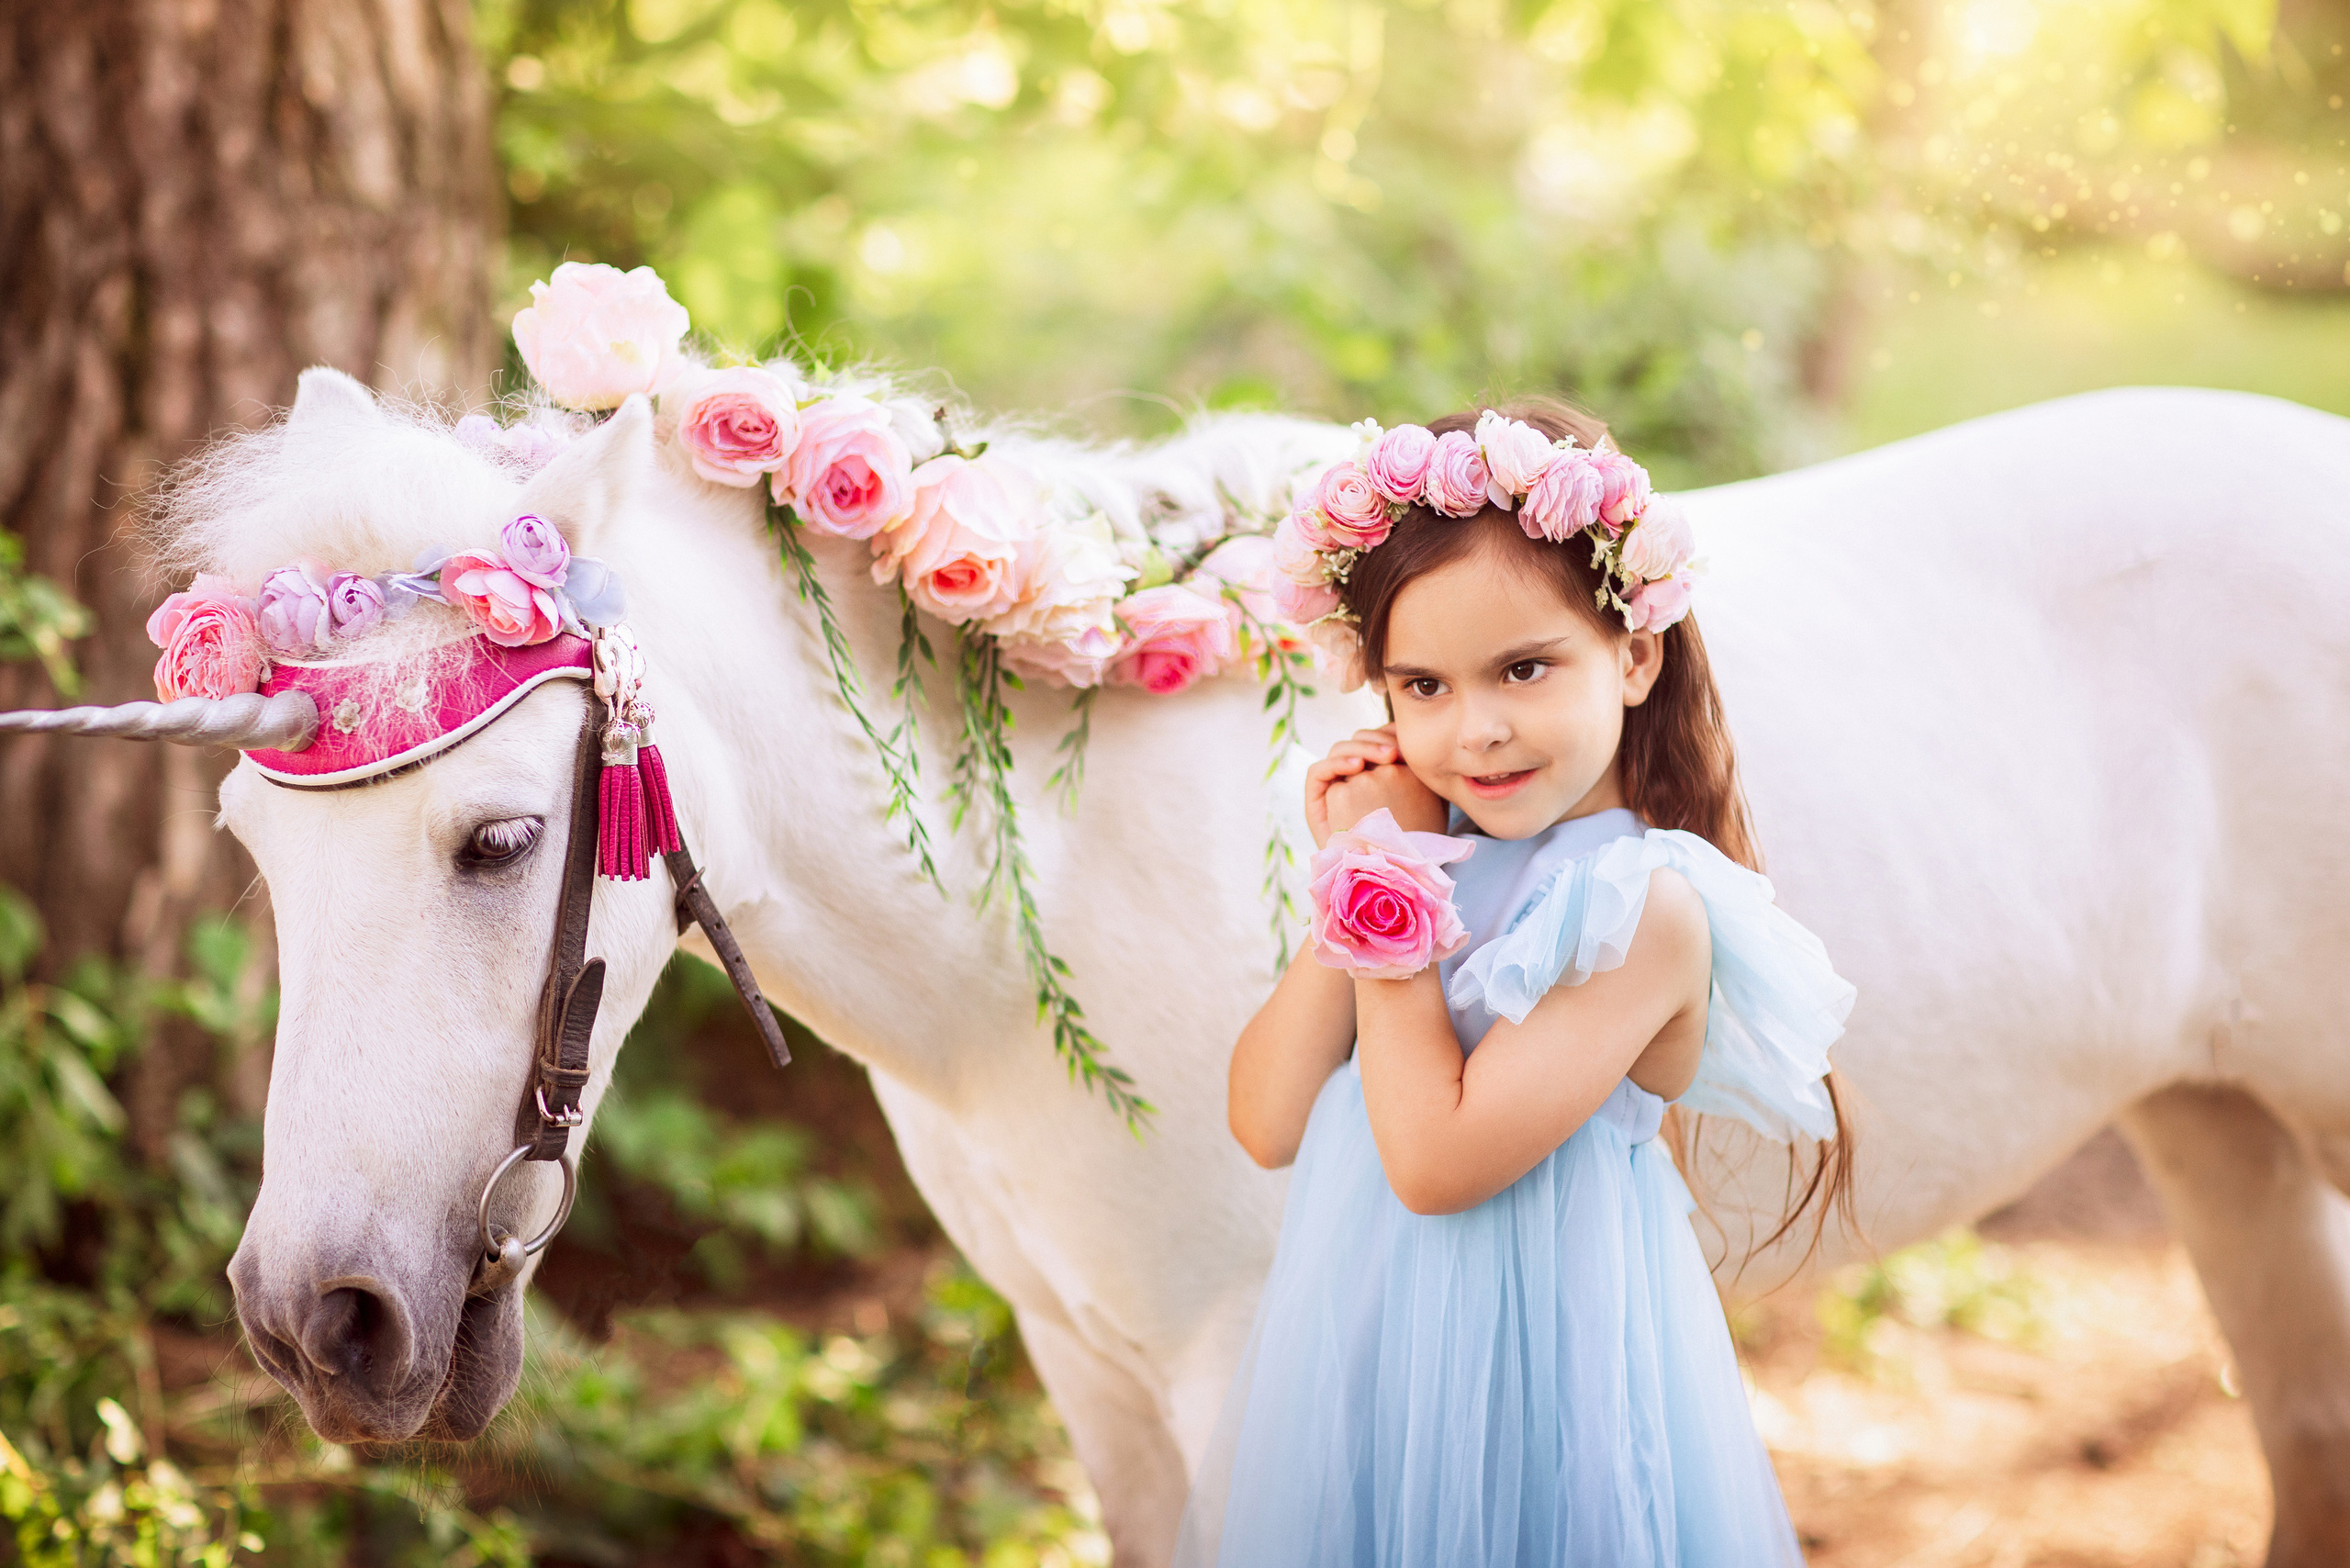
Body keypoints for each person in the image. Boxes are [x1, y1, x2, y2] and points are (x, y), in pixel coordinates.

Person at [1175, 399, 1858, 1567]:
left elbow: (1439, 1163)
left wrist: (1392, 887)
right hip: (1371, 1370)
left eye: (1524, 668)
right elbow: (1265, 1118)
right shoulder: (1427, 853)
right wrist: (1362, 876)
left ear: (1634, 656)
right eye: (1423, 687)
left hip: (1546, 1391)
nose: (1474, 730)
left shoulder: (1641, 907)